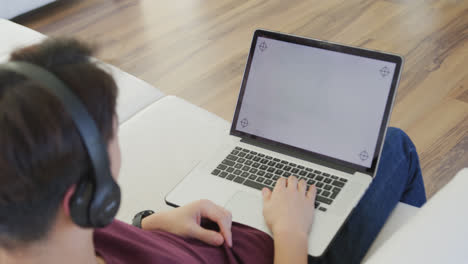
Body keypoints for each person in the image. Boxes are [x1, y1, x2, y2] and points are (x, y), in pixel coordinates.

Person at [0, 38, 426, 264]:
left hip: (220, 231)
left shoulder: (44, 225)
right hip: (288, 247)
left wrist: (152, 224)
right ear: (85, 199)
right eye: (111, 132)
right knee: (396, 146)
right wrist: (292, 233)